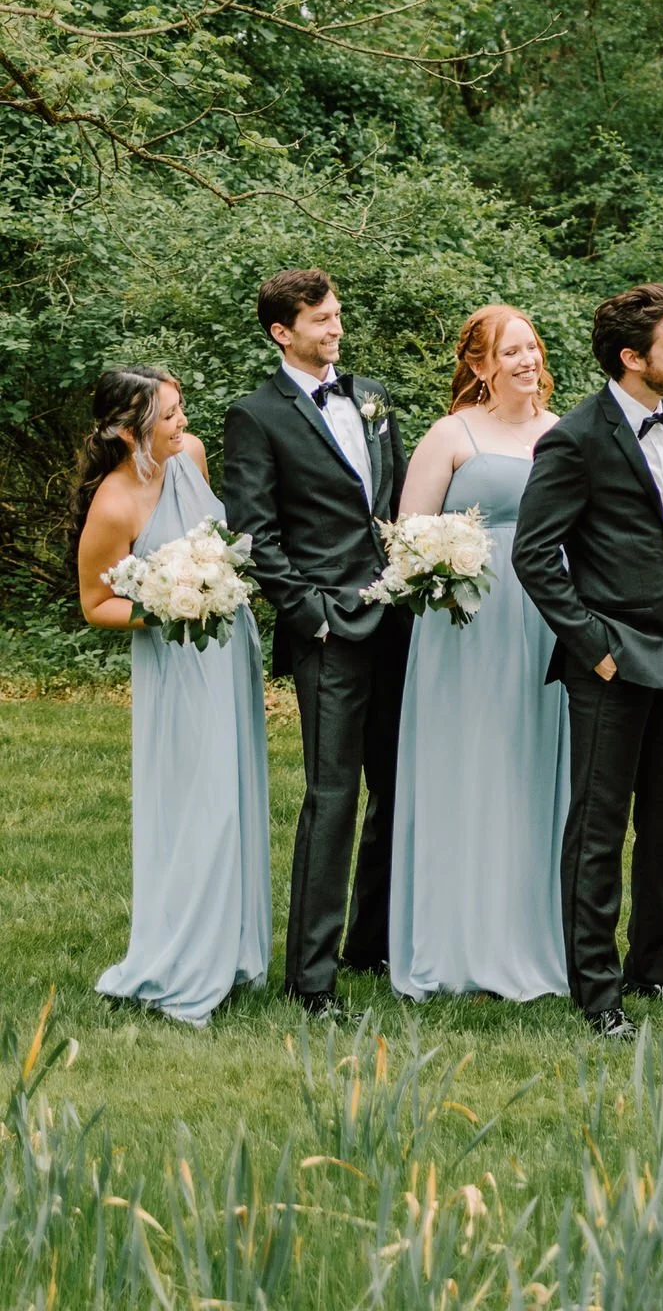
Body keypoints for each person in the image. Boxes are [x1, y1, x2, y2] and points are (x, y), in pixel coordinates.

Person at [512, 282, 663, 1041]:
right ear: (634, 359)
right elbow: (535, 555)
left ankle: (652, 967)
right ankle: (597, 993)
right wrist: (592, 647)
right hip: (611, 663)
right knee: (599, 827)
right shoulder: (576, 438)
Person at [223, 270, 408, 1014]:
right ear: (282, 332)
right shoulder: (256, 415)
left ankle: (373, 943)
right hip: (329, 629)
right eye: (321, 320)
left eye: (337, 316)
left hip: (397, 618)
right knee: (332, 799)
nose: (336, 328)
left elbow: (390, 499)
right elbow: (255, 534)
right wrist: (312, 613)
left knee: (398, 789)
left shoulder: (374, 395)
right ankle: (312, 978)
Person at [77, 366, 270, 1025]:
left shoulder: (191, 458)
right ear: (130, 430)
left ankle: (234, 948)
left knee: (235, 795)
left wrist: (215, 586)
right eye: (168, 415)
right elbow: (95, 602)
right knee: (197, 804)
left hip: (227, 648)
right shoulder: (114, 503)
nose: (181, 424)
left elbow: (210, 543)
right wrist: (164, 607)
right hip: (175, 663)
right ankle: (184, 957)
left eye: (180, 409)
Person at [389, 306, 569, 1002]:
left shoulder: (562, 433)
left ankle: (532, 939)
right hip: (465, 623)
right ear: (479, 365)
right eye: (511, 350)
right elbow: (406, 538)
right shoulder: (451, 435)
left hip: (547, 618)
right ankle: (459, 942)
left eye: (533, 346)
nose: (527, 359)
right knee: (471, 765)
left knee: (531, 765)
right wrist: (448, 564)